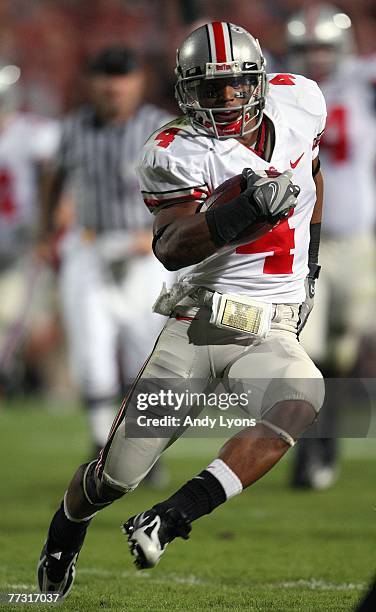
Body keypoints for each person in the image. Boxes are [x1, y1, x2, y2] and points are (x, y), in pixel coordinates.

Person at [38, 22, 326, 598]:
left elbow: (314, 179)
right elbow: (170, 248)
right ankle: (65, 530)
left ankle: (169, 519)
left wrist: (310, 267)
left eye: (234, 85)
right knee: (117, 475)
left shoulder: (302, 102)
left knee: (303, 397)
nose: (223, 100)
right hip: (203, 323)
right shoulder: (174, 149)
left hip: (269, 323)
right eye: (208, 88)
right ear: (185, 90)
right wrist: (241, 212)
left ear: (261, 82)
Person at [39, 45, 174, 461]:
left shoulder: (160, 127)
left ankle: (143, 451)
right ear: (90, 82)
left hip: (145, 250)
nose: (112, 86)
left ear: (138, 81)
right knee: (91, 353)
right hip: (91, 245)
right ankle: (102, 444)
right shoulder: (75, 127)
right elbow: (54, 178)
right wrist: (46, 231)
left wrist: (160, 232)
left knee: (147, 358)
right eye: (104, 75)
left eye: (121, 75)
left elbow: (191, 189)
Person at [286, 4, 376, 489]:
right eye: (307, 48)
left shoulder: (363, 84)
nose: (316, 57)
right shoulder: (283, 95)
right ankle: (313, 451)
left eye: (324, 47)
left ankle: (328, 442)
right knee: (308, 347)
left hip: (359, 241)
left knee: (341, 352)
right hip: (307, 243)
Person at [0, 62, 60, 395]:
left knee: (19, 318)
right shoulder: (32, 132)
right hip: (14, 239)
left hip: (21, 241)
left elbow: (63, 160)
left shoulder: (31, 132)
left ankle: (23, 379)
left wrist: (50, 219)